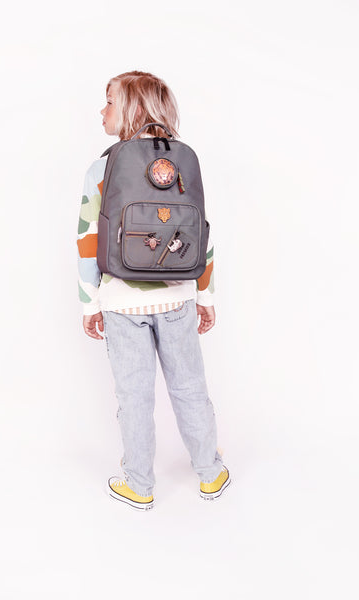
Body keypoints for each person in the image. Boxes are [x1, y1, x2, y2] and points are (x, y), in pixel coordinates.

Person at [77, 71, 230, 510]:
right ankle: (210, 472)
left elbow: (88, 238)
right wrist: (205, 295)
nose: (102, 111)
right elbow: (202, 233)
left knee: (134, 396)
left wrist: (90, 303)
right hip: (178, 297)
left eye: (109, 101)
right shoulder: (183, 161)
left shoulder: (102, 167)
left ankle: (139, 483)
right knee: (190, 387)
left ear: (132, 109)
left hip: (122, 302)